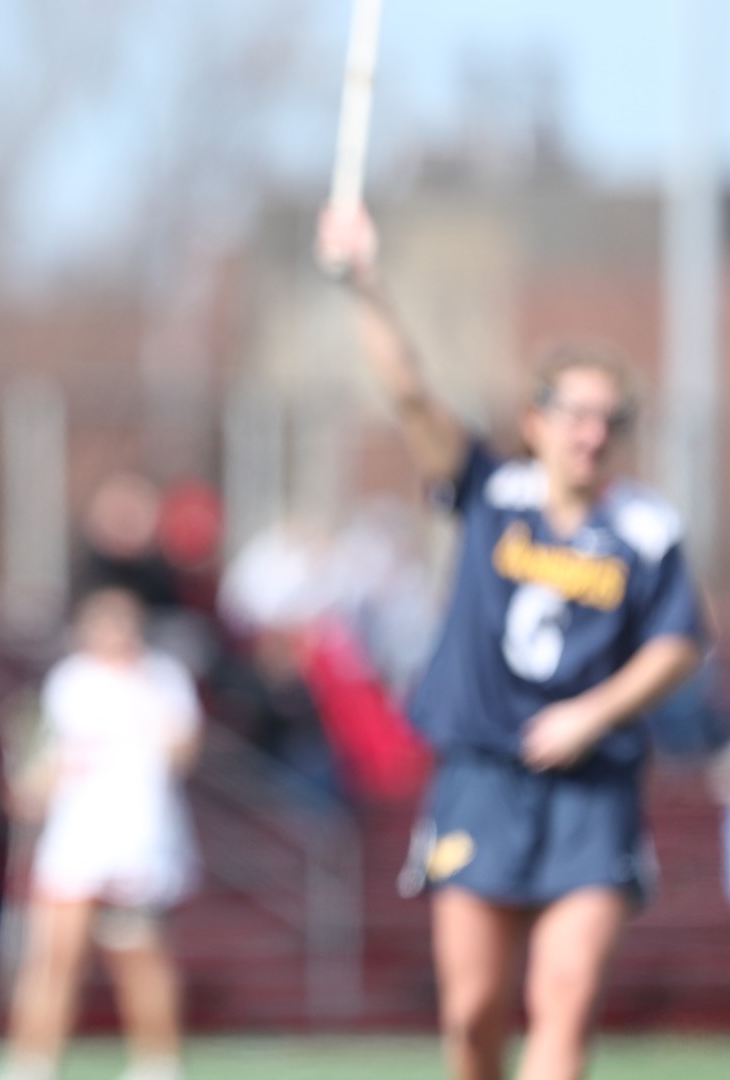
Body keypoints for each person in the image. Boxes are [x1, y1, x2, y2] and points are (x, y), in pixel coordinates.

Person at [318, 203, 708, 1080]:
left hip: (592, 789)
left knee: (564, 1004)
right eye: (575, 414)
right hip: (482, 777)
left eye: (611, 419)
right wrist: (364, 285)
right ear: (535, 420)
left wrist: (591, 714)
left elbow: (680, 643)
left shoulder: (645, 527)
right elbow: (412, 393)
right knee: (471, 1016)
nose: (592, 434)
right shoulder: (493, 493)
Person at [0, 587, 202, 1080]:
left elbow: (182, 753)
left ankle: (157, 1063)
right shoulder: (69, 681)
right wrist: (31, 788)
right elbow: (51, 759)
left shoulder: (163, 679)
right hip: (75, 838)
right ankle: (32, 1062)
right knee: (53, 956)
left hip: (140, 839)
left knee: (139, 957)